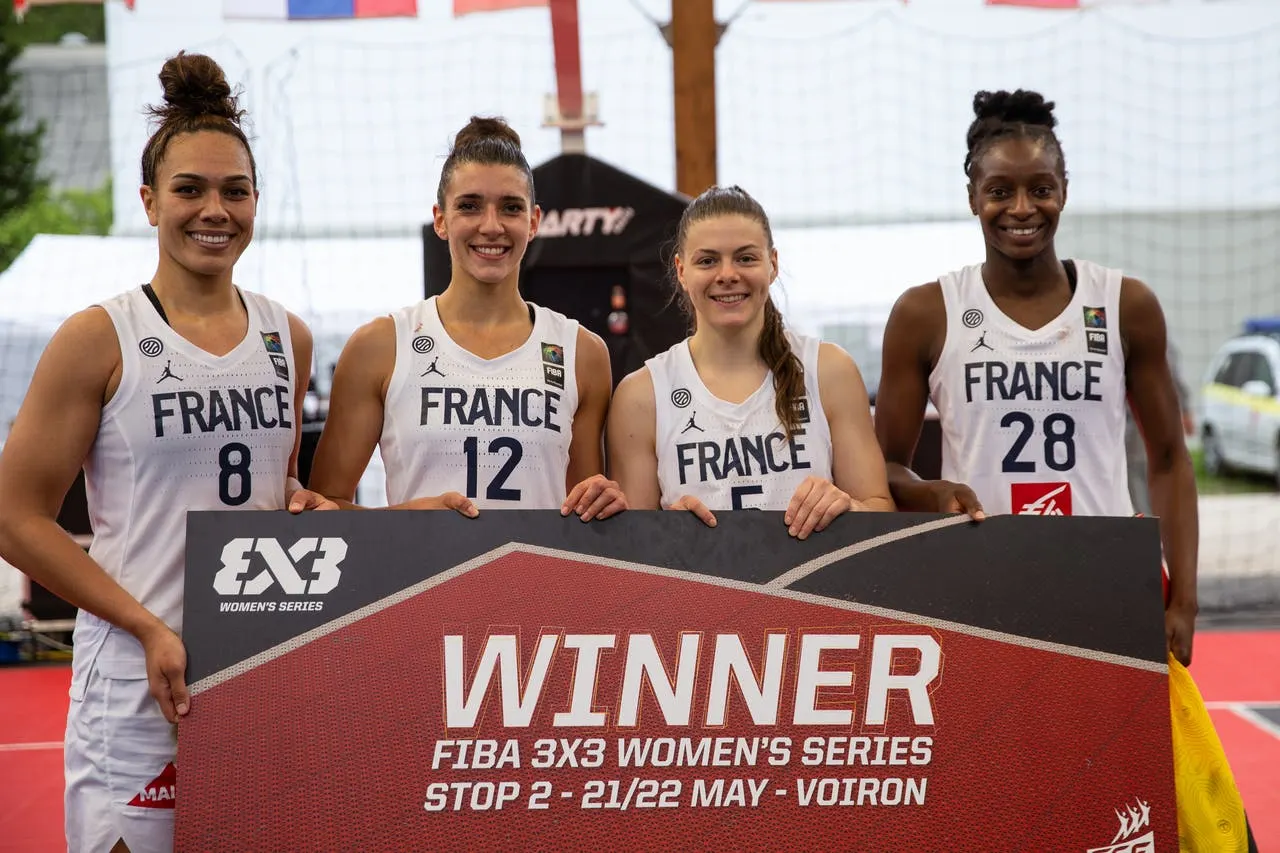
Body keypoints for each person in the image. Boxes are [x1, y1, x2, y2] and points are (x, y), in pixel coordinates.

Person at [0, 52, 335, 853]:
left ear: (256, 200)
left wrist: (303, 504)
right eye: (190, 189)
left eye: (234, 190)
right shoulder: (98, 336)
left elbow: (270, 486)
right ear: (150, 201)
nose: (213, 209)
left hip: (256, 661)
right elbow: (15, 520)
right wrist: (147, 627)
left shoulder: (289, 335)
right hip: (136, 672)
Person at [872, 89, 1199, 667]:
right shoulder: (927, 312)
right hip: (984, 580)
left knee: (1117, 757)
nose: (1022, 208)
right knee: (996, 756)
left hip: (1108, 575)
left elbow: (1170, 458)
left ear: (1064, 193)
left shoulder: (1125, 304)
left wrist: (1186, 603)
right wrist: (930, 491)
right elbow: (879, 470)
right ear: (972, 198)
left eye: (1040, 189)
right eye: (1000, 191)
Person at [307, 116, 625, 521]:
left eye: (510, 208)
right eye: (470, 206)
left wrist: (606, 502)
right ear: (441, 219)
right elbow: (321, 512)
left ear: (533, 222)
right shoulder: (381, 346)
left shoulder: (582, 352)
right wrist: (407, 518)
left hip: (538, 583)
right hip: (419, 581)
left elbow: (583, 513)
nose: (491, 226)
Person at [607, 185, 893, 538]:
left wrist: (851, 508)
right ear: (681, 271)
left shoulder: (829, 370)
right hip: (698, 592)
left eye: (745, 258)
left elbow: (881, 511)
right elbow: (631, 548)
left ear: (772, 265)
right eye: (708, 260)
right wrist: (665, 531)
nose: (727, 274)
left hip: (811, 590)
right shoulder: (642, 394)